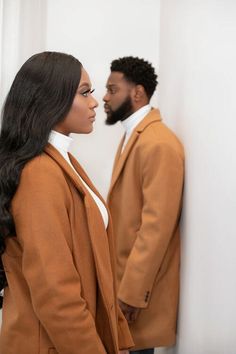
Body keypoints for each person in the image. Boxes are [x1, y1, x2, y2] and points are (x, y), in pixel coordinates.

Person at [0, 51, 134, 354]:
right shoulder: (39, 174)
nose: (94, 102)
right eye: (84, 92)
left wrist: (118, 340)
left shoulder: (61, 160)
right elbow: (56, 294)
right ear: (51, 99)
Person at [103, 56, 184, 354]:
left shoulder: (158, 143)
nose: (104, 97)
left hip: (137, 297)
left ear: (137, 93)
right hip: (123, 286)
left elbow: (156, 226)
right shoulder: (134, 135)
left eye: (112, 89)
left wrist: (132, 294)